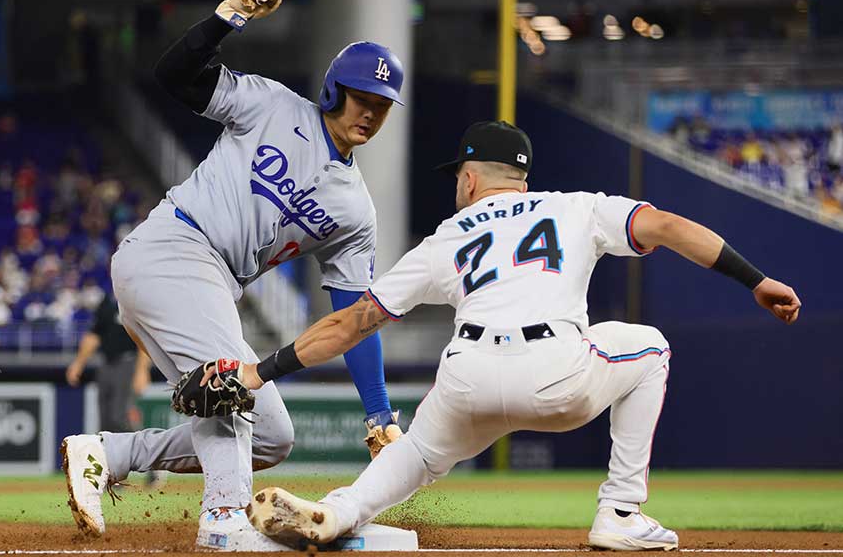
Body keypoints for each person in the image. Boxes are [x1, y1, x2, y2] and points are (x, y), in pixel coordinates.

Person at [228, 121, 801, 552]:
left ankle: (339, 510)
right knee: (650, 347)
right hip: (557, 373)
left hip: (467, 374)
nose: (457, 182)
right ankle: (622, 513)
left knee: (420, 455)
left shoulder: (447, 236)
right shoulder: (577, 208)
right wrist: (755, 279)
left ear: (472, 177)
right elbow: (670, 228)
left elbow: (351, 324)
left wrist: (260, 372)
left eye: (458, 173)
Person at [60, 0, 406, 551]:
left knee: (271, 434)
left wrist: (380, 414)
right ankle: (223, 520)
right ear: (333, 91)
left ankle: (108, 454)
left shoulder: (355, 211)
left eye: (382, 105)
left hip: (214, 283)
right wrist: (228, 18)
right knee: (227, 389)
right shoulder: (271, 106)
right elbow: (173, 75)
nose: (370, 113)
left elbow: (357, 316)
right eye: (361, 98)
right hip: (174, 247)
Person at [65, 293, 163, 487]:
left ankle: (153, 464)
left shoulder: (135, 297)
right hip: (106, 364)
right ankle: (112, 473)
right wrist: (78, 363)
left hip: (128, 362)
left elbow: (145, 337)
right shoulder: (107, 301)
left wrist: (142, 370)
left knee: (121, 415)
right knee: (106, 421)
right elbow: (94, 335)